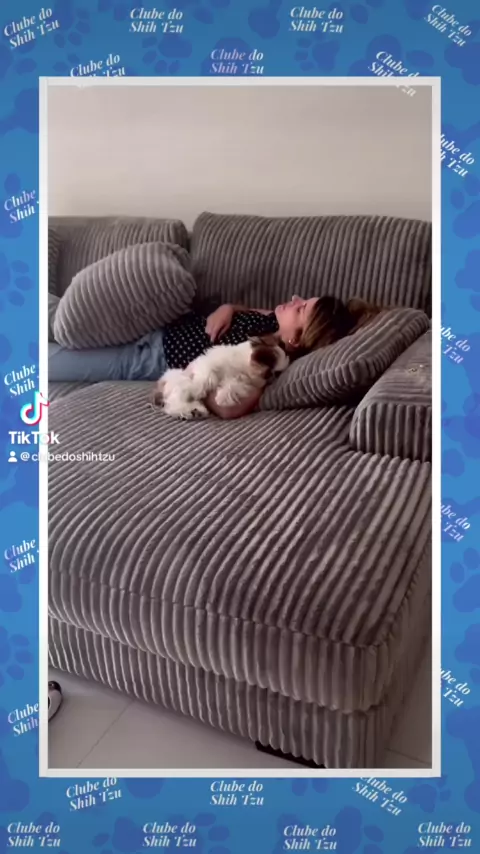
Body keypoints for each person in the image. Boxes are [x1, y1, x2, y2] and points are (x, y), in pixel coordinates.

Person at [49, 295, 381, 419]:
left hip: (146, 358)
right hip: (156, 322)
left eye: (301, 308)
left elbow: (227, 406)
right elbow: (241, 309)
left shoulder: (268, 362)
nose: (294, 299)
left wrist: (197, 380)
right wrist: (227, 308)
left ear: (298, 337)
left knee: (48, 360)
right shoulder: (271, 320)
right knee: (62, 319)